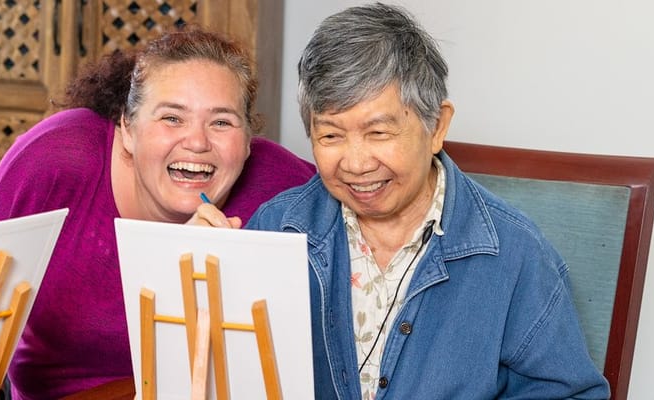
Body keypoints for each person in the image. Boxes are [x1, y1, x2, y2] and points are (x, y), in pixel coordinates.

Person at [191, 3, 610, 399]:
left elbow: (568, 392)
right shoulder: (279, 227)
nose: (355, 163)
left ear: (437, 126)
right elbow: (221, 376)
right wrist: (195, 275)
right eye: (331, 135)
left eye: (379, 133)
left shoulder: (514, 255)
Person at [0, 26, 316, 399]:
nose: (197, 142)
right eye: (171, 118)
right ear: (128, 130)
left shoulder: (282, 185)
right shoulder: (54, 160)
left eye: (221, 122)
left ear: (248, 142)